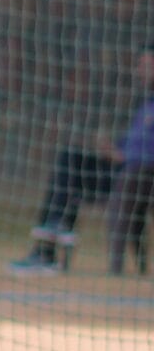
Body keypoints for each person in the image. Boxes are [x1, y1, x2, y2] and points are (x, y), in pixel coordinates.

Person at [9, 45, 154, 275]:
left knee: (71, 173)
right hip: (120, 170)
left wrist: (123, 155)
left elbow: (143, 152)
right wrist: (111, 148)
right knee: (69, 161)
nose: (140, 71)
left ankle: (49, 244)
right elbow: (130, 143)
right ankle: (49, 241)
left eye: (146, 65)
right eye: (140, 65)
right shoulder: (145, 105)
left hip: (138, 178)